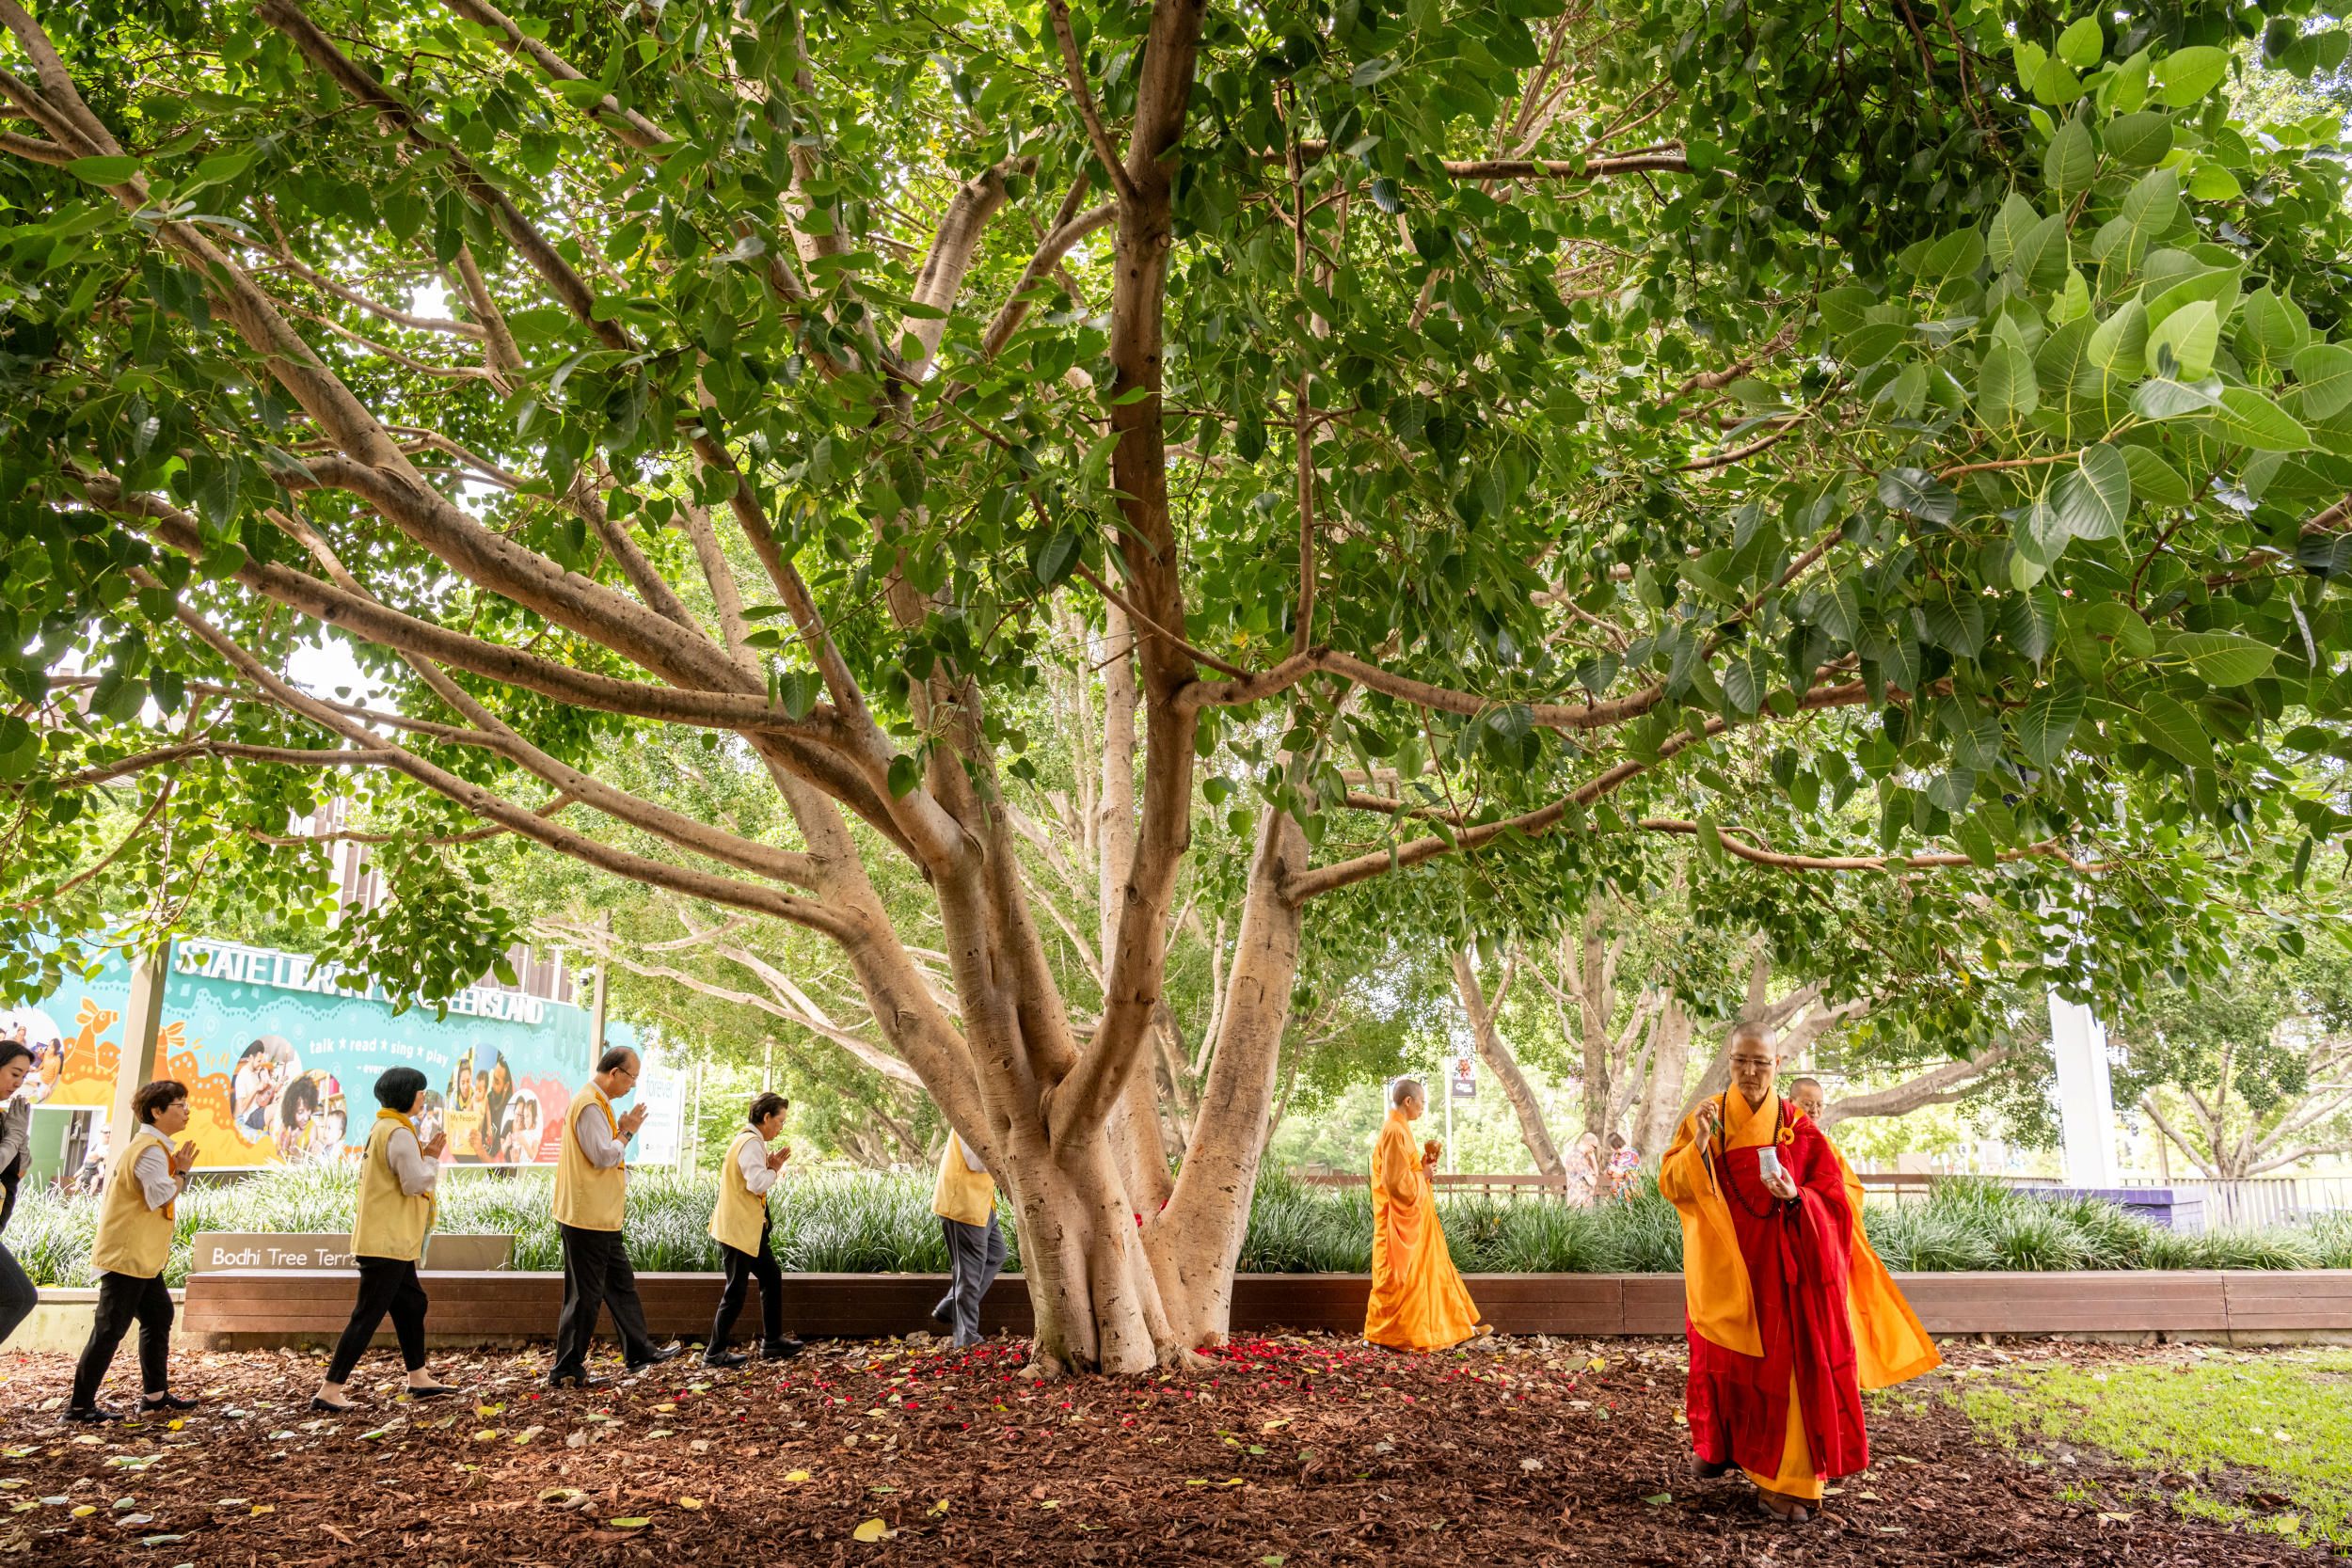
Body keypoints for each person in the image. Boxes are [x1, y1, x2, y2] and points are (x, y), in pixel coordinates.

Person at [1658, 1026, 1900, 1524]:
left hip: (1782, 1272)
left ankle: (1788, 1481)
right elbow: (1671, 1185)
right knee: (1722, 1362)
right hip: (1723, 1267)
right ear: (1730, 1060)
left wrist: (1798, 1198)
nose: (1750, 1072)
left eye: (1761, 1063)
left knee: (1786, 1370)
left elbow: (1841, 1194)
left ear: (1778, 1063)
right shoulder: (1706, 1116)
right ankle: (1720, 1445)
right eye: (1741, 1062)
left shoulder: (1796, 1126)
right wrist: (1699, 1146)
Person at [312, 1069, 463, 1411]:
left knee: (413, 1304)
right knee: (366, 1315)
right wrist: (432, 1159)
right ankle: (329, 1390)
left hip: (389, 1239)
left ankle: (418, 1377)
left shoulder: (385, 1128)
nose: (423, 1097)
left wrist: (423, 1155)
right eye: (420, 1092)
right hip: (387, 1242)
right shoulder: (398, 1132)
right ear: (406, 1095)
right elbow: (414, 1183)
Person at [1786, 1075, 1942, 1394]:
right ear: (1790, 1104)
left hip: (1833, 1236)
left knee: (1849, 1305)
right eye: (1806, 1104)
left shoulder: (1825, 1144)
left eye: (1818, 1105)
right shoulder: (1782, 1140)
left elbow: (1851, 1188)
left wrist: (1825, 1202)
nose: (1814, 1111)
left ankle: (1845, 1370)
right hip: (1797, 1239)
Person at [68, 1080, 199, 1422]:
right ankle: (79, 1407)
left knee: (158, 1316)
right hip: (127, 1256)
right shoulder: (150, 1149)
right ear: (156, 1111)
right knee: (110, 1329)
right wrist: (182, 1170)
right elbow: (160, 1196)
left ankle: (155, 1396)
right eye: (179, 1106)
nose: (187, 1112)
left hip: (142, 1258)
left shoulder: (153, 1146)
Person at [548, 1046, 678, 1387]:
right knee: (585, 1296)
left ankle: (639, 1351)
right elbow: (603, 1156)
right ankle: (566, 1368)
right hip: (586, 1217)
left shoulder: (600, 1103)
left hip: (602, 1216)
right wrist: (627, 1132)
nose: (633, 1085)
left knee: (621, 1285)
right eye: (631, 1076)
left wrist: (621, 1134)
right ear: (613, 1073)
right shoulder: (589, 1105)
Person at [1363, 1077, 1486, 1352]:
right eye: (1421, 1102)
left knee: (1431, 1273)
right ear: (1408, 1101)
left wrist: (1421, 1167)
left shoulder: (1401, 1128)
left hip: (1415, 1220)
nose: (1423, 1107)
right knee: (1401, 1277)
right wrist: (1423, 1175)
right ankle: (1386, 1336)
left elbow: (1404, 1171)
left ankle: (1452, 1329)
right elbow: (1396, 1184)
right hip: (1400, 1223)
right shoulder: (1395, 1130)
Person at [704, 1092, 804, 1366]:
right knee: (735, 1291)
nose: (781, 1127)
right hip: (739, 1230)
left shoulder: (749, 1140)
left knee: (771, 1277)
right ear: (766, 1117)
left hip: (748, 1230)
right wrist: (775, 1170)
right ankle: (714, 1352)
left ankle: (772, 1341)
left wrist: (770, 1166)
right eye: (780, 1121)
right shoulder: (750, 1143)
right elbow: (756, 1183)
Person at [929, 1128, 1003, 1350]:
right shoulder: (967, 1118)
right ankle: (967, 1337)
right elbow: (977, 1162)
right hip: (963, 1203)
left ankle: (950, 1306)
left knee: (997, 1254)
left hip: (982, 1205)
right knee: (969, 1274)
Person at [0, 1041, 39, 1348]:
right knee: (20, 1296)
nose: (18, 1083)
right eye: (14, 1073)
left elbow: (19, 1170)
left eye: (23, 1076)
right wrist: (13, 1136)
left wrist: (20, 1137)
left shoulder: (5, 1117)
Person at [1565, 1130, 1602, 1207]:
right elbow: (1593, 1182)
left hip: (1580, 1202)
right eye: (1595, 1147)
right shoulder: (1578, 1157)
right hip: (1580, 1203)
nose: (1594, 1150)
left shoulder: (1577, 1155)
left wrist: (1593, 1159)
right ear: (1588, 1144)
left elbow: (1596, 1176)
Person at [1603, 1132, 1641, 1197]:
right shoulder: (1615, 1155)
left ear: (1614, 1144)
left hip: (1631, 1192)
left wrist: (1613, 1171)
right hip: (1618, 1192)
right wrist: (1611, 1172)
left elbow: (1618, 1174)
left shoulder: (1631, 1153)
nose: (1610, 1149)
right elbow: (1606, 1174)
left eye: (1610, 1146)